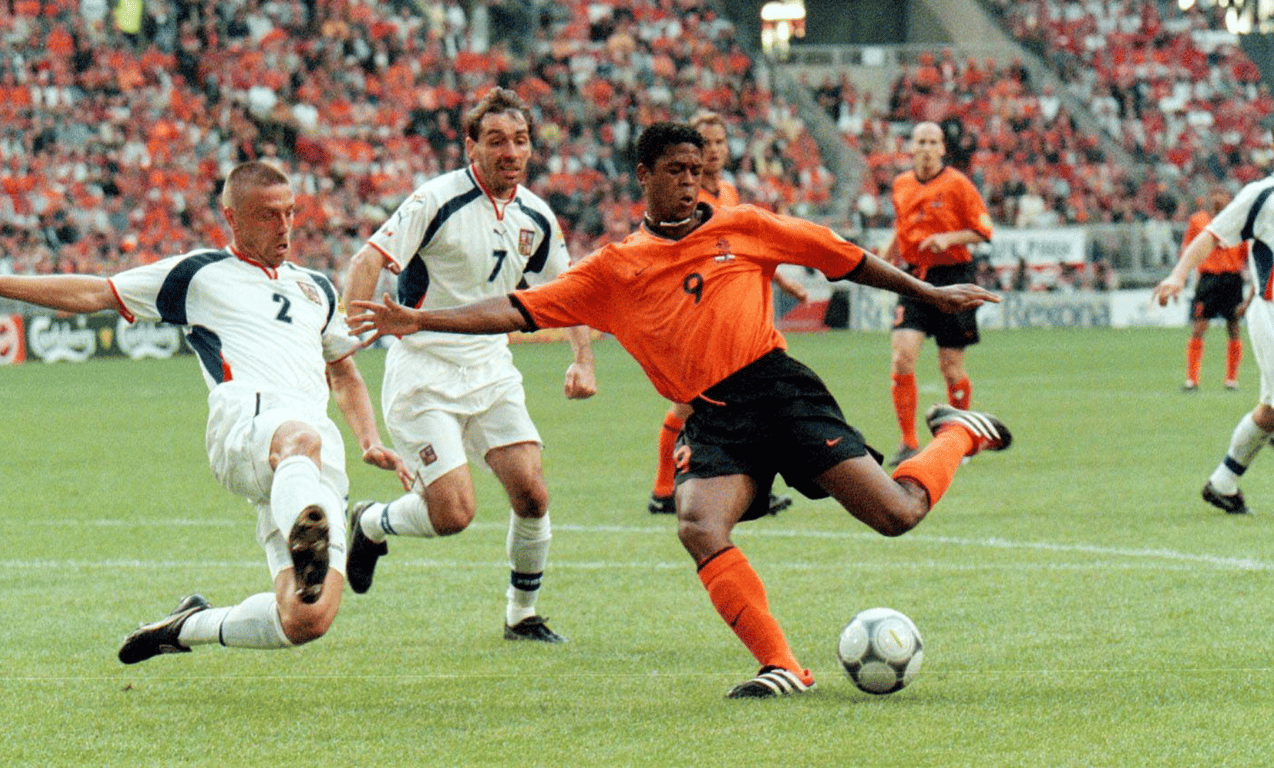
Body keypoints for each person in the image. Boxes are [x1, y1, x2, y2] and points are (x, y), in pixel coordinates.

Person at [351, 122, 1012, 698]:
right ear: (644, 176)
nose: (690, 182)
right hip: (714, 416)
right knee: (698, 525)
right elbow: (518, 309)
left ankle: (956, 434)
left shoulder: (745, 226)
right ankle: (782, 664)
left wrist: (930, 291)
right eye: (676, 171)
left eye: (697, 170)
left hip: (780, 394)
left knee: (897, 514)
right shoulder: (615, 269)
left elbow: (844, 258)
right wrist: (419, 317)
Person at [0, 160, 410, 662]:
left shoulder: (317, 289)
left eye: (290, 213)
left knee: (307, 618)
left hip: (309, 457)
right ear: (232, 219)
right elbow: (97, 291)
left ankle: (186, 625)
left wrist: (369, 439)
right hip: (247, 425)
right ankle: (308, 532)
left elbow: (343, 372)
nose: (284, 227)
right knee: (298, 439)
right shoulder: (199, 275)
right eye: (268, 216)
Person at [340, 87, 597, 643]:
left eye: (521, 141)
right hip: (425, 374)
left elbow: (570, 290)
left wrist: (582, 359)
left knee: (532, 493)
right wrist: (345, 335)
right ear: (471, 147)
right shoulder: (437, 201)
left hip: (490, 369)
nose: (511, 151)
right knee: (454, 515)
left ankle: (521, 616)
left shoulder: (537, 216)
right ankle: (371, 522)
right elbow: (369, 259)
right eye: (497, 140)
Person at [647, 110, 804, 517]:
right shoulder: (684, 195)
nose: (713, 150)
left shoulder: (729, 193)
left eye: (719, 142)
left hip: (728, 315)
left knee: (719, 402)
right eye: (705, 143)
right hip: (696, 313)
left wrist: (784, 283)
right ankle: (667, 488)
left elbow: (743, 248)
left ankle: (682, 489)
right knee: (695, 403)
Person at [1153, 171, 1274, 515]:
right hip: (1271, 313)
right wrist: (1178, 276)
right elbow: (1211, 235)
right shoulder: (1262, 195)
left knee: (1269, 412)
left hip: (1256, 296)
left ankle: (1223, 483)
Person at [879, 121, 993, 465]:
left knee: (951, 366)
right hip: (915, 277)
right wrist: (880, 260)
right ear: (911, 147)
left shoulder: (958, 184)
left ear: (943, 148)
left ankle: (960, 436)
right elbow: (902, 230)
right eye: (921, 141)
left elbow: (983, 230)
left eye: (933, 141)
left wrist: (949, 239)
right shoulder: (901, 184)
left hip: (953, 276)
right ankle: (908, 442)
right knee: (902, 355)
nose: (927, 147)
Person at [1179, 191, 1251, 391]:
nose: (1219, 200)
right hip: (1208, 279)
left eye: (1222, 197)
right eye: (1215, 196)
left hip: (1232, 278)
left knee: (1234, 326)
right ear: (1211, 201)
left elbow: (1245, 251)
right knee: (1199, 327)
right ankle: (1192, 380)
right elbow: (1188, 247)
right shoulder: (1198, 220)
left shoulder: (1238, 220)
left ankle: (1231, 379)